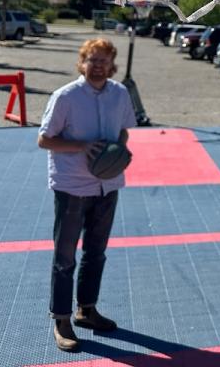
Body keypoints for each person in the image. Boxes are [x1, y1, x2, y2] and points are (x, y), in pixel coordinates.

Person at [37, 37, 136, 352]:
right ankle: (62, 318)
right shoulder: (65, 96)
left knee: (97, 252)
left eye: (104, 61)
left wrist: (119, 148)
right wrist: (82, 146)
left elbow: (123, 129)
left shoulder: (120, 94)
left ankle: (87, 310)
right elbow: (44, 140)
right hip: (72, 186)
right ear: (82, 63)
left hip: (107, 185)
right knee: (65, 257)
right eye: (92, 60)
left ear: (112, 65)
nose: (98, 66)